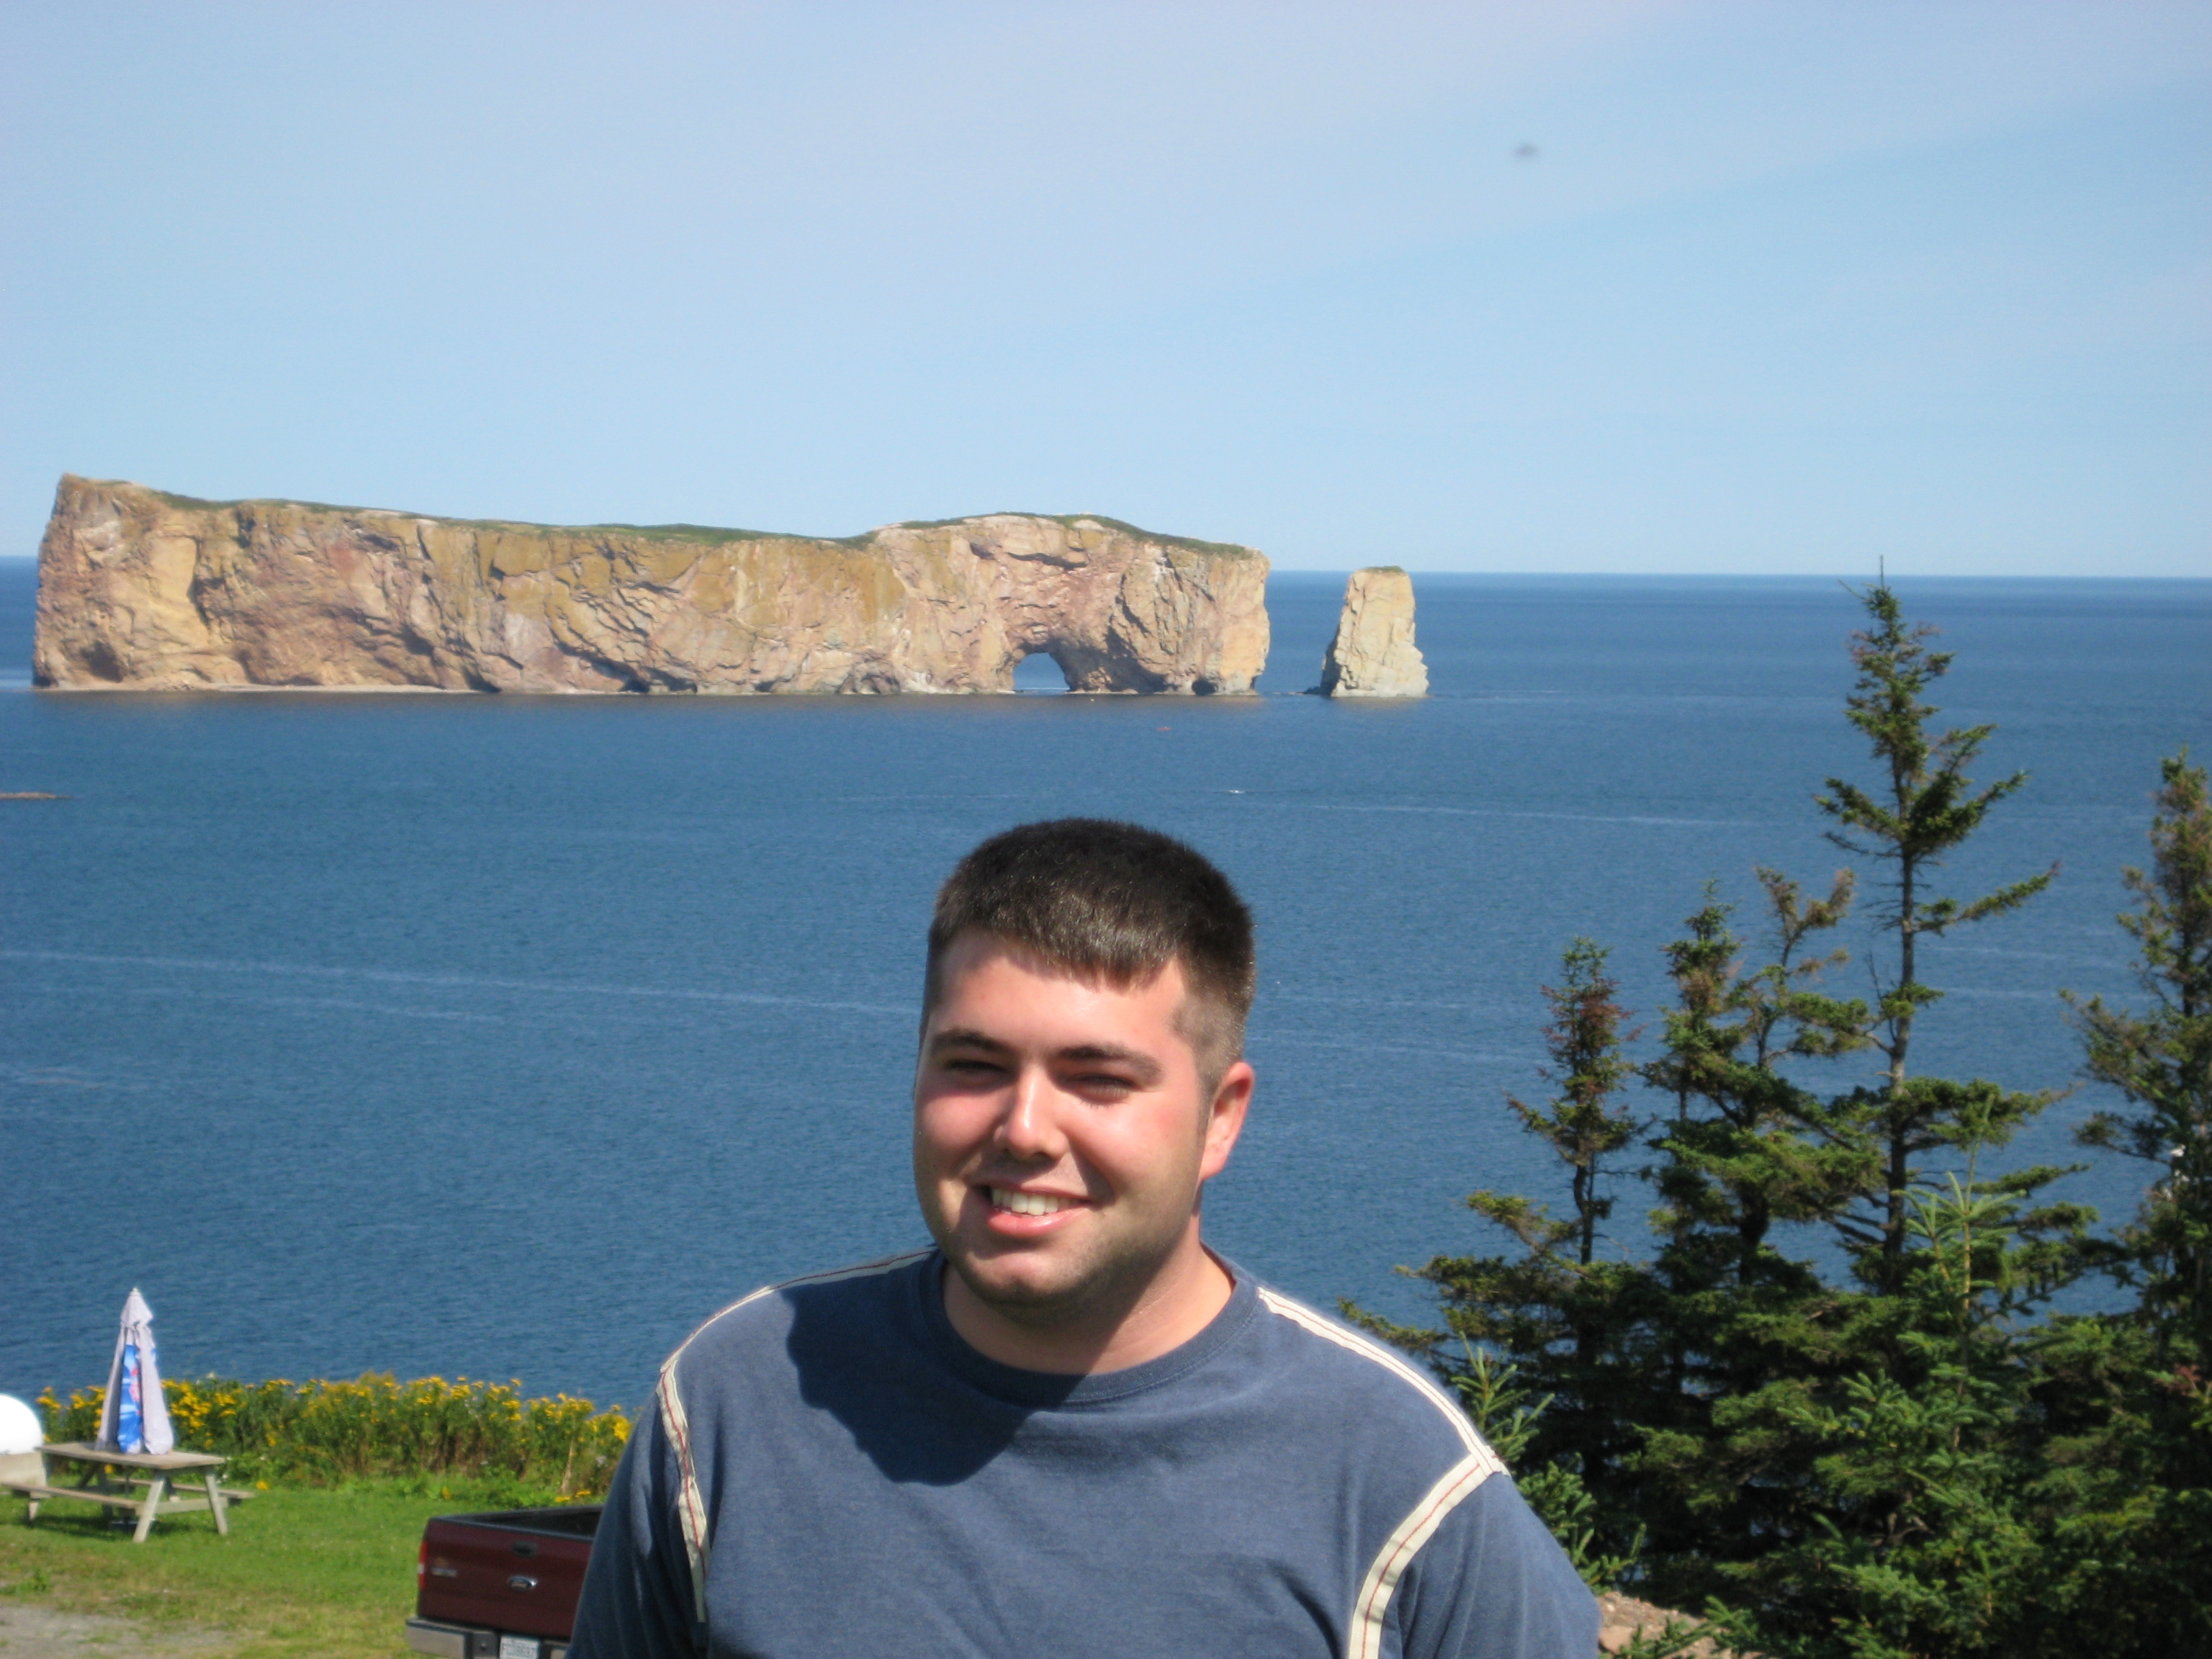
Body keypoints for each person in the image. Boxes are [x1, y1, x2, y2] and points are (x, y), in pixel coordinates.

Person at [572, 819, 1599, 1658]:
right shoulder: (738, 1398)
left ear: (1221, 1118)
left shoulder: (1395, 1484)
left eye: (1098, 1079)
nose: (1024, 1129)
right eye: (974, 1065)